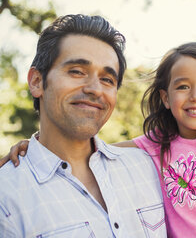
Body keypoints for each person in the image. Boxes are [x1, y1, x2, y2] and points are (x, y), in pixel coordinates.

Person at [3, 42, 196, 237]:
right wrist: (36, 145)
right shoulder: (157, 146)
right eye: (183, 87)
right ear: (165, 97)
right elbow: (93, 148)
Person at [0, 14, 166, 237]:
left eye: (107, 79)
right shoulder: (6, 196)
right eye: (77, 71)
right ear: (37, 81)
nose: (95, 89)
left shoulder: (149, 169)